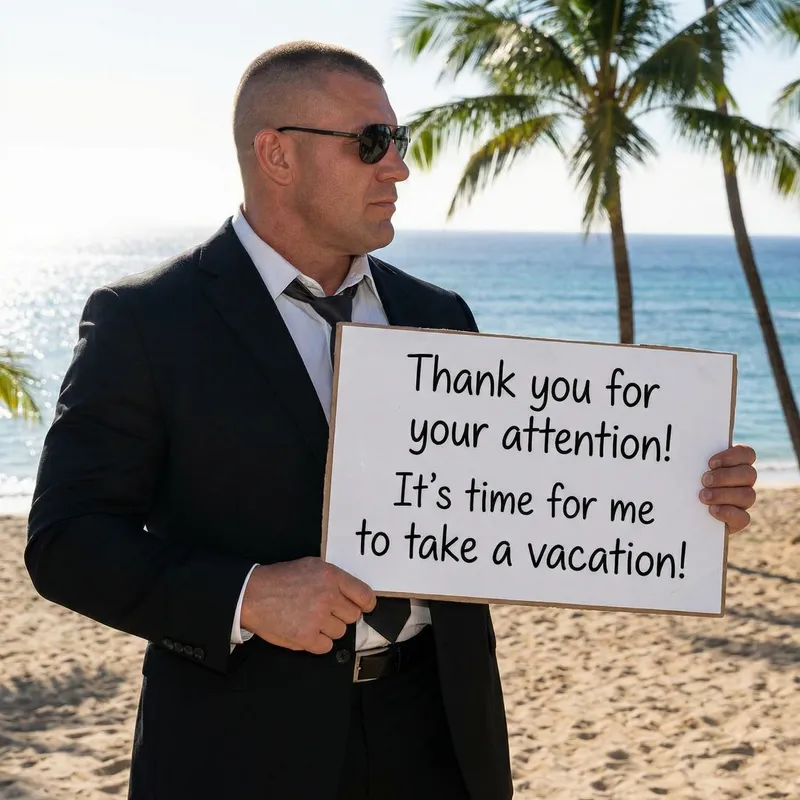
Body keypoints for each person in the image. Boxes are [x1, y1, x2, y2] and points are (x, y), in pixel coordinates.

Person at [25, 41, 759, 800]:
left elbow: (519, 493)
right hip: (241, 745)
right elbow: (66, 542)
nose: (400, 168)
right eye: (370, 143)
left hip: (439, 732)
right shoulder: (146, 322)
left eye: (398, 141)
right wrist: (247, 596)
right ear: (276, 155)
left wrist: (679, 492)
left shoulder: (438, 315)